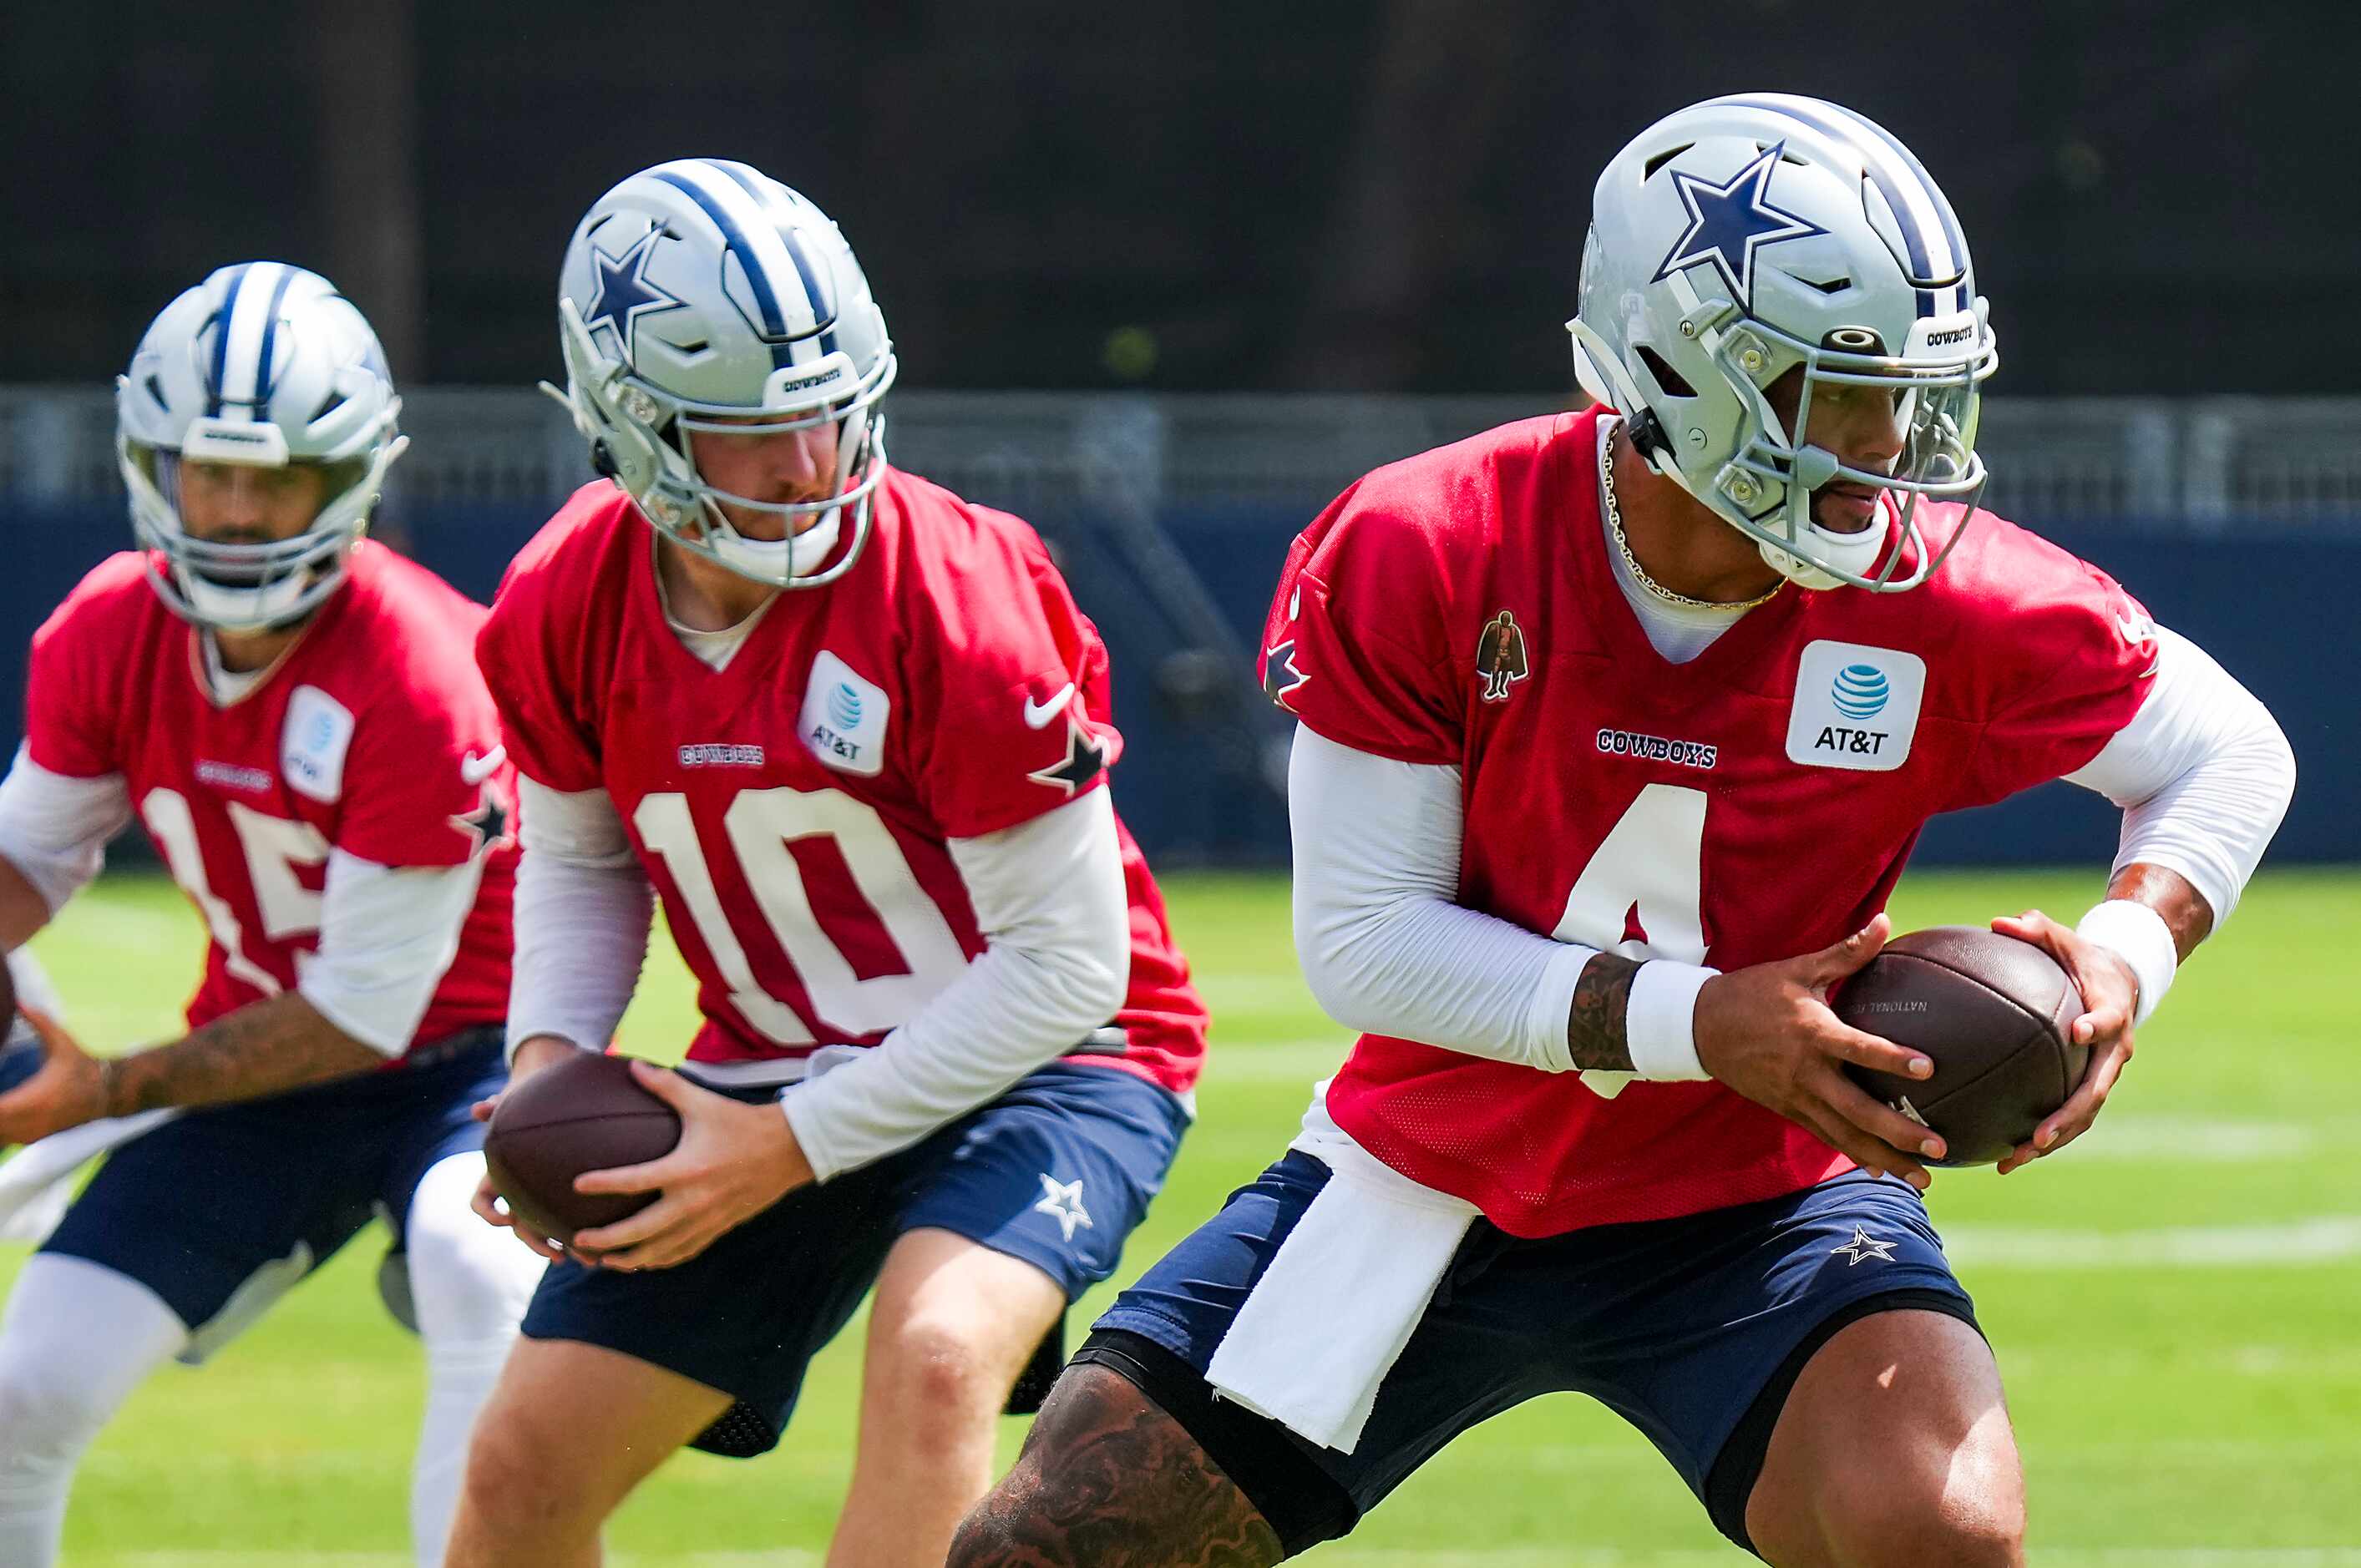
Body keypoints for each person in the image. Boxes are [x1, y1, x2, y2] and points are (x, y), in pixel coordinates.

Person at [952, 93, 2297, 1566]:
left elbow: (2228, 748)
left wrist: (2124, 954)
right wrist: (1704, 1021)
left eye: (1905, 390)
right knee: (1044, 1555)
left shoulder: (1945, 592)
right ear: (1676, 365)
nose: (1887, 441)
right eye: (1832, 390)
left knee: (1942, 1536)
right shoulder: (1432, 541)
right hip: (1436, 1169)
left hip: (1768, 1190)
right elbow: (1365, 941)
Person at [443, 159, 1207, 1568]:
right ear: (636, 423)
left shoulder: (955, 591)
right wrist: (551, 1052)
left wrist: (786, 1144)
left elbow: (1071, 966)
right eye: (753, 430)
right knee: (520, 1471)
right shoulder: (563, 596)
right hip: (778, 1056)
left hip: (1054, 1058)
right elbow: (581, 858)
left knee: (934, 1355)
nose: (811, 464)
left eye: (827, 409)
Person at [0, 262, 541, 1568]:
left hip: (467, 1066)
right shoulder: (105, 630)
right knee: (25, 1389)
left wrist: (90, 1088)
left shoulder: (418, 670)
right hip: (255, 1067)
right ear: (153, 463)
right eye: (210, 472)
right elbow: (24, 865)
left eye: (279, 478)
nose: (238, 512)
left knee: (477, 1276)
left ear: (348, 477)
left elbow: (366, 1011)